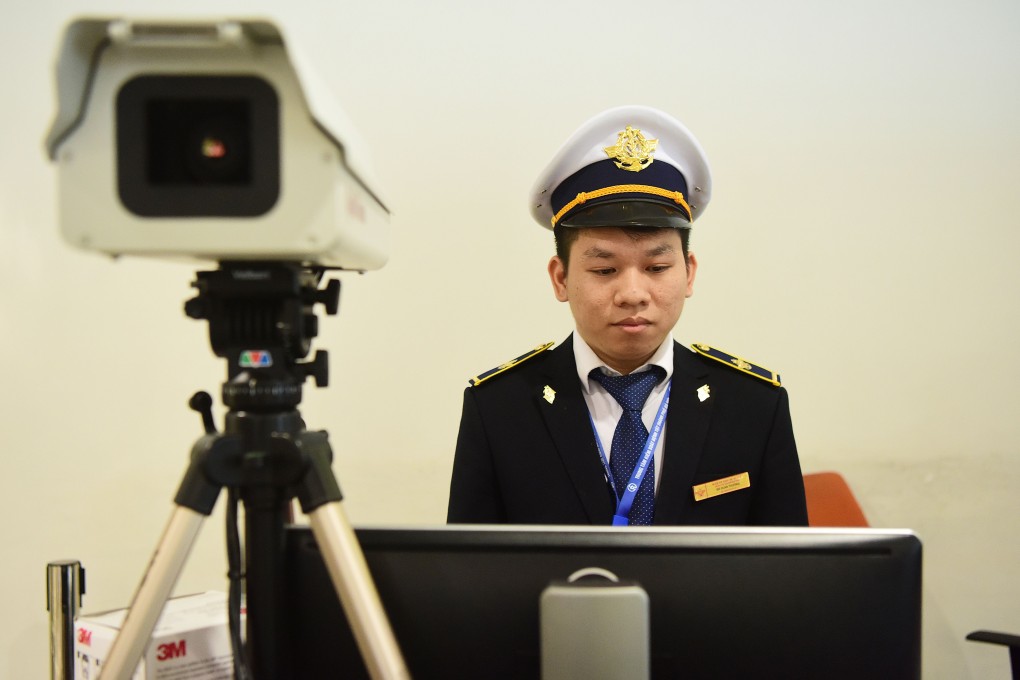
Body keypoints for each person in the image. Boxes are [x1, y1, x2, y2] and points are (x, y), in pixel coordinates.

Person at [447, 105, 807, 526]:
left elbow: (788, 577)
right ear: (561, 278)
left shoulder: (753, 405)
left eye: (656, 268)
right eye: (604, 270)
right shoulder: (499, 409)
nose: (633, 294)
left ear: (689, 273)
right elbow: (473, 575)